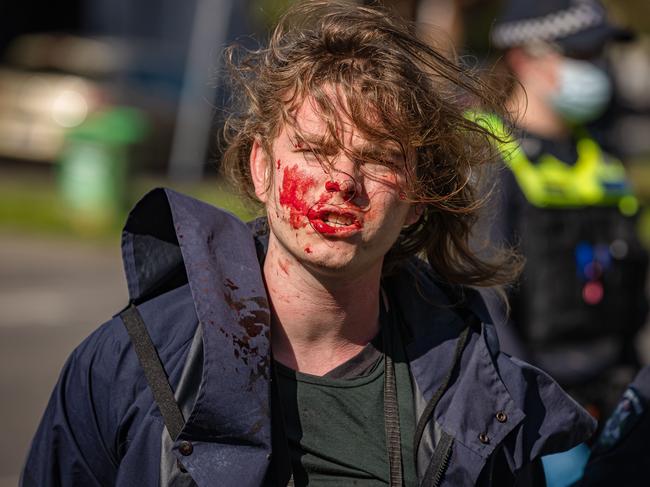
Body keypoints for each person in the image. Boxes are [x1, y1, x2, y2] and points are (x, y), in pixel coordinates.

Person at [22, 2, 596, 486]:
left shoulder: (481, 395)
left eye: (378, 159)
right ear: (262, 168)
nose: (343, 182)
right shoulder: (133, 360)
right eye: (316, 151)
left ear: (418, 196)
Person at [484, 0, 648, 420]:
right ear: (523, 59)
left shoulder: (602, 157)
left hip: (616, 395)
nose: (595, 68)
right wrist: (532, 412)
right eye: (578, 55)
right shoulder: (484, 156)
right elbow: (485, 306)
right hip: (537, 406)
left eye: (598, 54)